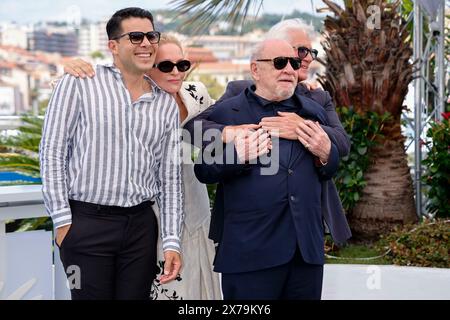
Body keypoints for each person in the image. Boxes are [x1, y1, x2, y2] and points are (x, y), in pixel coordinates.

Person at [59, 34, 222, 300]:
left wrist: (306, 89)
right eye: (166, 65)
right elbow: (80, 96)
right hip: (153, 219)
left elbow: (228, 112)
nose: (176, 72)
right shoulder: (134, 101)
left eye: (182, 64)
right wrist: (69, 68)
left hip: (196, 215)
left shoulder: (196, 93)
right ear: (147, 67)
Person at [39, 7, 183, 300]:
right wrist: (63, 221)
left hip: (141, 228)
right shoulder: (79, 83)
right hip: (86, 224)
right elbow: (52, 152)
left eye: (151, 36)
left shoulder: (165, 104)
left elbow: (170, 178)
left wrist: (171, 241)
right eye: (136, 36)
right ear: (113, 46)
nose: (146, 43)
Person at [184, 18, 351, 249]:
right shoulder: (240, 91)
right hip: (249, 232)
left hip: (305, 228)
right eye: (300, 51)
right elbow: (194, 130)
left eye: (310, 51)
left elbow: (341, 144)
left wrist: (300, 127)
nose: (308, 58)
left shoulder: (317, 97)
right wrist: (230, 133)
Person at [194, 38, 340, 299]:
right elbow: (203, 169)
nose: (289, 70)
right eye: (279, 62)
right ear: (255, 70)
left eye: (294, 63)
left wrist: (326, 154)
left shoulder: (312, 112)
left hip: (305, 254)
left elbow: (328, 167)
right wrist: (237, 154)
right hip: (250, 254)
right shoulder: (228, 112)